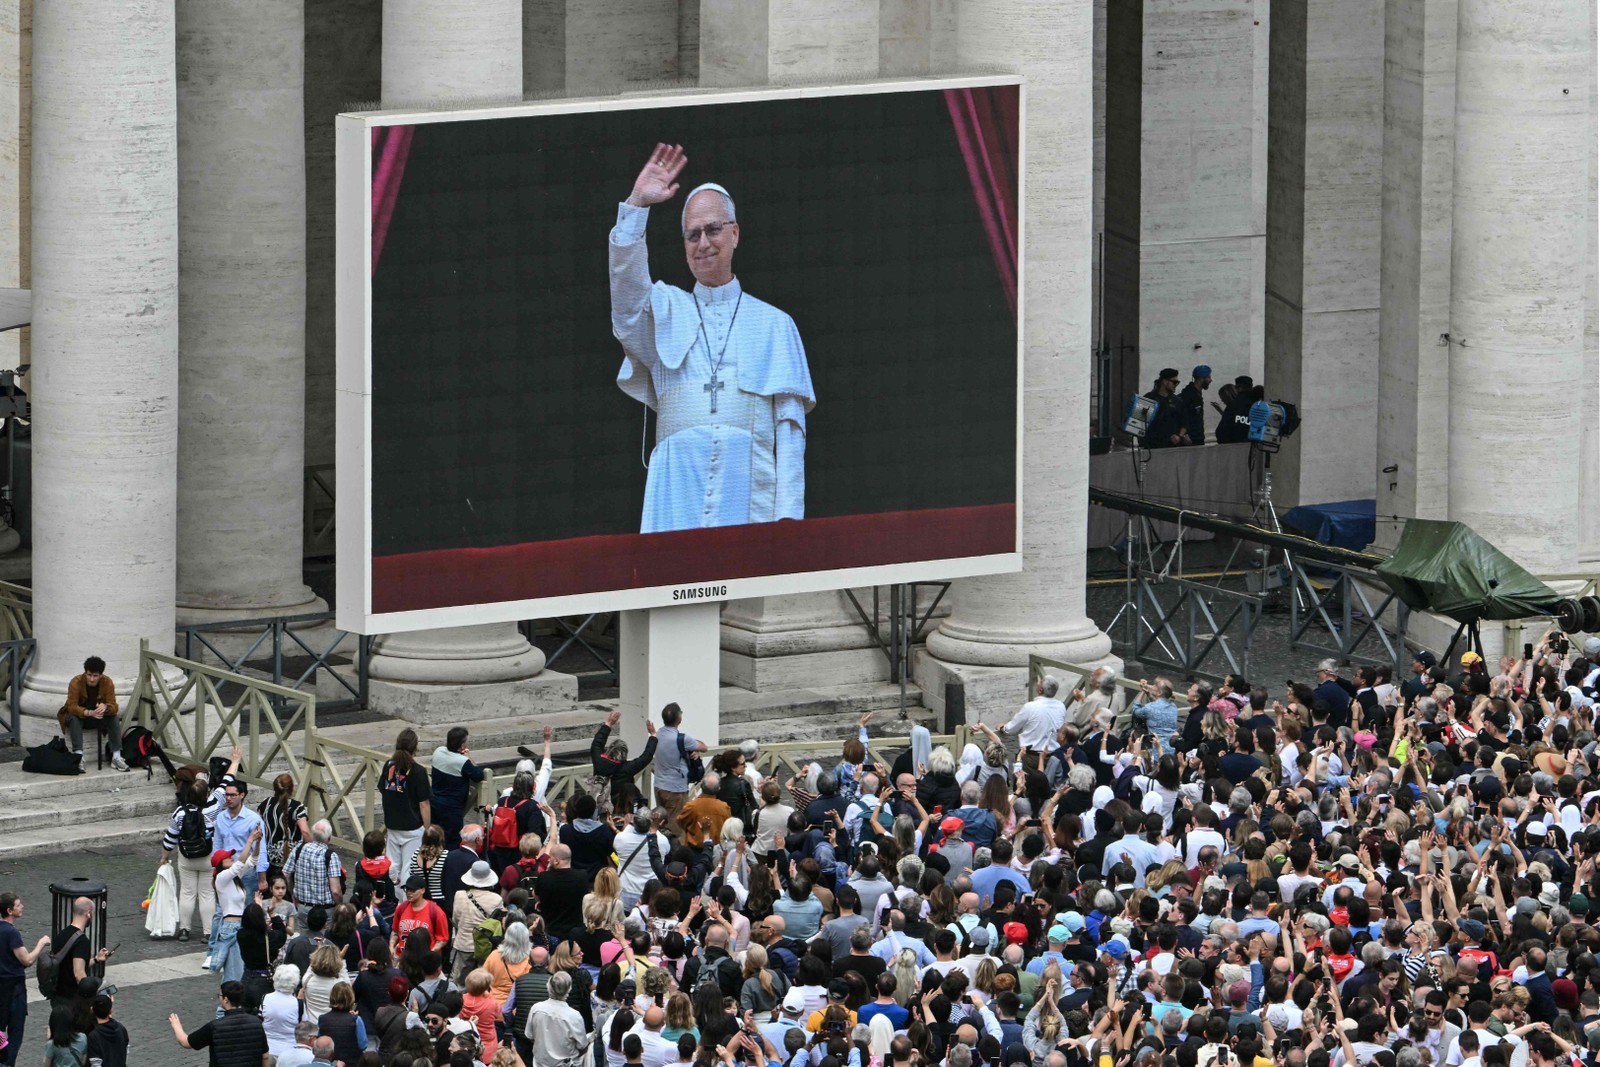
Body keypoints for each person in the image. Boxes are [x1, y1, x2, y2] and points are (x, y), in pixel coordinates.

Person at [609, 143, 816, 533]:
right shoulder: (662, 311)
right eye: (692, 235)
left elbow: (790, 435)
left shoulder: (775, 324)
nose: (703, 243)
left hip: (749, 491)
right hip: (675, 490)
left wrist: (790, 524)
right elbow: (626, 301)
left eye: (713, 230)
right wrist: (636, 206)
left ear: (735, 233)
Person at [161, 749, 235, 944]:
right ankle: (208, 932)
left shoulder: (179, 812)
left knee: (187, 892)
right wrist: (235, 760)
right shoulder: (213, 806)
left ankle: (184, 930)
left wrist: (164, 856)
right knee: (207, 893)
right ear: (206, 793)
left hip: (186, 857)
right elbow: (227, 780)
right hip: (207, 856)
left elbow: (170, 837)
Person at [168, 980, 269, 1066]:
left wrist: (177, 1026)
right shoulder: (256, 1023)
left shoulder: (215, 1026)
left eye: (220, 995)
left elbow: (186, 1042)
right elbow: (265, 1056)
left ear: (226, 999)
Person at [57, 655, 128, 771]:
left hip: (97, 718)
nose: (91, 679)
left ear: (101, 675)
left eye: (95, 676)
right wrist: (88, 712)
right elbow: (71, 706)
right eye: (89, 675)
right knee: (74, 717)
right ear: (85, 673)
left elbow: (114, 706)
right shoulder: (76, 682)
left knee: (113, 717)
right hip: (81, 717)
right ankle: (78, 756)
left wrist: (106, 707)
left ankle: (116, 757)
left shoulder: (107, 682)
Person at [0, 891, 47, 1065]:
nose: (22, 907)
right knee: (15, 1032)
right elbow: (26, 960)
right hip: (14, 990)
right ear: (9, 910)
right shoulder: (12, 934)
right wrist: (41, 943)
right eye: (18, 905)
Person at [380, 729, 431, 885]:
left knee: (392, 866)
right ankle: (406, 904)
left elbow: (383, 789)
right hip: (412, 826)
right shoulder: (418, 771)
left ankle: (391, 900)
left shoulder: (389, 766)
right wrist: (427, 828)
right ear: (415, 748)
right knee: (409, 867)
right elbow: (424, 803)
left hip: (393, 823)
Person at [49, 897, 106, 1019]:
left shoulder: (61, 935)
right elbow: (78, 973)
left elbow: (69, 964)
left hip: (58, 996)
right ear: (88, 913)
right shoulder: (81, 941)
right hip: (72, 1000)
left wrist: (96, 959)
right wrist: (89, 997)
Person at [431, 726, 485, 849]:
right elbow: (479, 775)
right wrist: (468, 756)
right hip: (451, 809)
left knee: (434, 839)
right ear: (461, 745)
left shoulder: (438, 751)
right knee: (451, 843)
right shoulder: (462, 762)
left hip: (434, 803)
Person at [652, 703, 706, 824]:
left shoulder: (658, 733)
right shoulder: (682, 738)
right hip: (676, 789)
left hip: (659, 785)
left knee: (661, 821)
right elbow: (704, 747)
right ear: (679, 719)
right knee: (676, 824)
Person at [525, 971, 591, 1067]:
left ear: (548, 986)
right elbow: (582, 1046)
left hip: (540, 1063)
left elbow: (530, 1036)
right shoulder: (574, 1016)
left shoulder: (536, 1009)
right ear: (569, 989)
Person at [284, 820, 343, 927]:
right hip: (325, 911)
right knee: (323, 940)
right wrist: (340, 904)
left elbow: (286, 875)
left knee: (305, 939)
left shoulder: (299, 849)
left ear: (313, 835)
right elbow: (335, 891)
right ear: (329, 838)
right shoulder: (331, 856)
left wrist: (293, 892)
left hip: (303, 906)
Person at [258, 772, 311, 871]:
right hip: (293, 857)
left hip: (270, 856)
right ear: (292, 788)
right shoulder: (297, 807)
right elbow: (305, 832)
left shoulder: (265, 803)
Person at [1142, 368, 1188, 448]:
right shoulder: (1149, 398)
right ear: (1164, 381)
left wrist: (1179, 436)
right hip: (1152, 444)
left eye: (1177, 382)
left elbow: (1184, 423)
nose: (1176, 385)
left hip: (1171, 445)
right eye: (1174, 382)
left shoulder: (1178, 401)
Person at [84, 991, 128, 1067]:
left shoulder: (94, 1036)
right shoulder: (121, 1028)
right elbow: (126, 1050)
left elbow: (95, 1063)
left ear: (92, 1011)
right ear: (110, 1011)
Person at [1179, 364, 1212, 445]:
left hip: (1197, 438)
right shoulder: (1188, 396)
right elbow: (1182, 416)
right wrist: (1183, 435)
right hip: (1191, 439)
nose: (1211, 380)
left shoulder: (1197, 394)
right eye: (1208, 377)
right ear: (1201, 378)